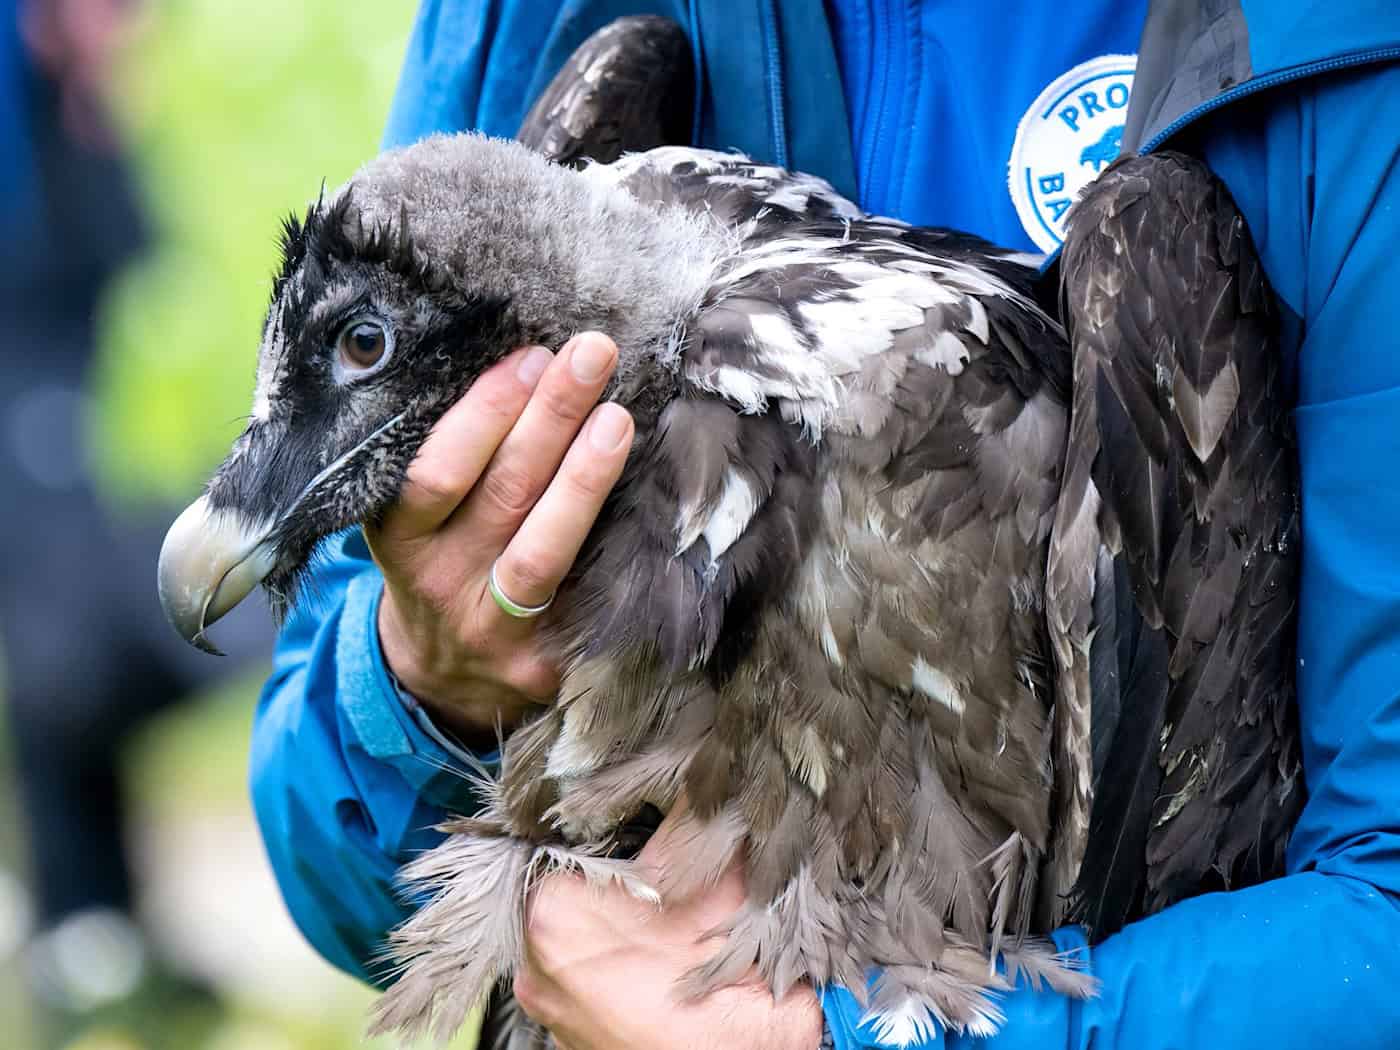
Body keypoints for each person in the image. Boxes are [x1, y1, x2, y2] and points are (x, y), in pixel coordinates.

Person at [249, 2, 1400, 1048]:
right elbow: (336, 857)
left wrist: (839, 1041)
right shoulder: (555, 30)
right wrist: (427, 683)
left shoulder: (1337, 52)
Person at [1, 0, 270, 1041]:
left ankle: (92, 931)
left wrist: (82, 90)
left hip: (51, 313)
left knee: (56, 620)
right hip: (20, 322)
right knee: (69, 633)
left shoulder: (57, 101)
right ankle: (85, 935)